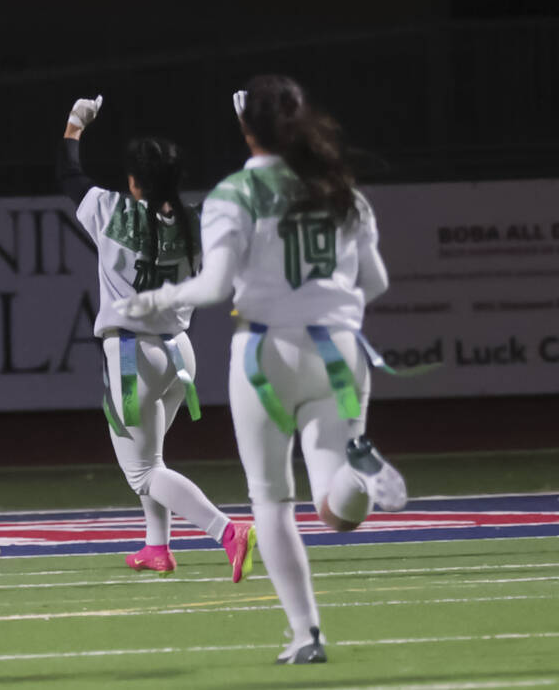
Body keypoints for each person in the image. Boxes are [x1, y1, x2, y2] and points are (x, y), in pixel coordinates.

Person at [114, 75, 406, 664]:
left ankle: (306, 635)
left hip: (268, 351)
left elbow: (217, 285)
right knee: (333, 499)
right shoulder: (339, 186)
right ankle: (358, 476)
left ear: (246, 129)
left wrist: (149, 302)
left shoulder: (235, 193)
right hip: (341, 347)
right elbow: (375, 281)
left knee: (273, 502)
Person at [57, 95, 256, 581]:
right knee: (153, 460)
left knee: (143, 471)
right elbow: (250, 189)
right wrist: (252, 131)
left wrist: (75, 123)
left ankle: (227, 531)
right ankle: (156, 547)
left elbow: (66, 175)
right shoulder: (198, 220)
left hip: (129, 358)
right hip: (177, 354)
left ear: (133, 181)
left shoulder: (109, 211)